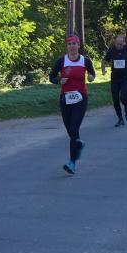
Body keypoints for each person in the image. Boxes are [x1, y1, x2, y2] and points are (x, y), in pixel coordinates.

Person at [50, 35, 95, 174]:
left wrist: (91, 77)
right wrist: (59, 81)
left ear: (78, 45)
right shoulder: (61, 61)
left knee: (74, 128)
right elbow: (51, 77)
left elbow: (92, 74)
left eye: (74, 44)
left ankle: (72, 163)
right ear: (67, 46)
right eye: (69, 44)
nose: (72, 46)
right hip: (65, 99)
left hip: (80, 98)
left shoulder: (85, 61)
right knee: (70, 130)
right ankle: (78, 144)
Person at [102, 34, 127, 127]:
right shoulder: (111, 50)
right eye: (117, 44)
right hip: (115, 78)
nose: (119, 46)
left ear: (124, 43)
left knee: (123, 97)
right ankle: (120, 119)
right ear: (115, 43)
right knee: (115, 100)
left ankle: (126, 109)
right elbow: (104, 60)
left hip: (125, 77)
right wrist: (103, 70)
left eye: (121, 44)